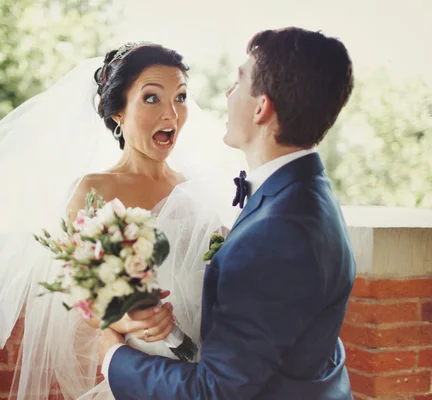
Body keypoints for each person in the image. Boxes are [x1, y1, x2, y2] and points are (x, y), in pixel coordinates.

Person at [0, 42, 242, 400]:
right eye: (152, 98)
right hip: (142, 370)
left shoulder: (196, 190)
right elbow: (84, 304)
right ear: (118, 112)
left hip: (211, 370)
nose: (172, 113)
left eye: (182, 97)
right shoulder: (93, 191)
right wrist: (127, 317)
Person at [100, 27, 357, 399]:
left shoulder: (276, 231)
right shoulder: (307, 193)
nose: (226, 93)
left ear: (261, 107)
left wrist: (112, 358)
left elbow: (215, 390)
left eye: (238, 82)